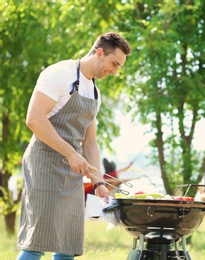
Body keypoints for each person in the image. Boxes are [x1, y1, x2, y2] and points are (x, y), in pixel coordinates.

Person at [17, 32, 131, 260]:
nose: (116, 71)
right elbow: (34, 119)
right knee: (36, 243)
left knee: (68, 245)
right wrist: (70, 153)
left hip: (72, 173)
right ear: (99, 53)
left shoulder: (94, 93)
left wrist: (99, 182)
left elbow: (90, 141)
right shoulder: (60, 73)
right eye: (114, 63)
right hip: (43, 166)